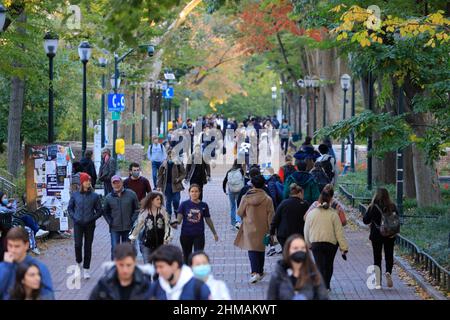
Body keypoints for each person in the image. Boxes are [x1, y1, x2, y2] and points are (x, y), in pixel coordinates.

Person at [304, 189, 349, 291]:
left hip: (316, 242)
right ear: (330, 200)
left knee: (319, 264)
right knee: (328, 265)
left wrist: (308, 243)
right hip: (331, 244)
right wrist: (343, 247)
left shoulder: (311, 214)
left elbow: (306, 230)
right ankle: (327, 285)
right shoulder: (333, 214)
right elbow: (339, 232)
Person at [234, 175, 274, 284]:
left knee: (251, 249)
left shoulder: (245, 198)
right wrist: (271, 230)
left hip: (249, 227)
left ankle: (254, 272)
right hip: (263, 227)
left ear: (252, 184)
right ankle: (259, 271)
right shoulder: (268, 199)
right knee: (261, 249)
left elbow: (239, 212)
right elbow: (271, 216)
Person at [267, 234, 328, 300]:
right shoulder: (278, 276)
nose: (299, 251)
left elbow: (323, 297)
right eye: (295, 248)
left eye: (302, 248)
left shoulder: (314, 274)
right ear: (288, 251)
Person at [0, 227, 54, 300]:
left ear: (26, 245)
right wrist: (6, 267)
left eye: (17, 246)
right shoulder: (4, 265)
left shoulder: (38, 267)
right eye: (10, 246)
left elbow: (48, 296)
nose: (12, 250)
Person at [67, 173, 103, 279]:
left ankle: (86, 269)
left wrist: (91, 218)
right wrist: (74, 217)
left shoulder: (94, 196)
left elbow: (99, 211)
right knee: (78, 245)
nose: (89, 182)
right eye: (87, 181)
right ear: (82, 182)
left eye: (89, 181)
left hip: (90, 225)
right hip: (78, 224)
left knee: (88, 247)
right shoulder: (75, 195)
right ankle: (79, 262)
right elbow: (70, 208)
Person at [363, 188, 399, 289]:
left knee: (377, 257)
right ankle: (388, 272)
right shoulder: (392, 206)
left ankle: (378, 281)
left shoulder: (373, 207)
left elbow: (365, 220)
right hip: (389, 234)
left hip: (376, 234)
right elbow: (397, 219)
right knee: (389, 255)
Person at [174, 185, 218, 263]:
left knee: (198, 257)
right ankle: (188, 273)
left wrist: (214, 233)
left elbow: (208, 220)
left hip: (199, 235)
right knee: (187, 256)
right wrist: (174, 224)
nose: (194, 193)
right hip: (186, 235)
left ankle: (197, 273)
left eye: (196, 191)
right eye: (192, 191)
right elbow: (179, 220)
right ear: (189, 193)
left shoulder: (204, 205)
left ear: (199, 193)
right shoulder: (184, 204)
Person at [103, 175, 140, 260]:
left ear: (122, 183)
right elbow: (105, 212)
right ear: (112, 185)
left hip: (128, 227)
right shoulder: (108, 197)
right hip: (115, 228)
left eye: (118, 182)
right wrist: (110, 222)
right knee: (115, 249)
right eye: (114, 183)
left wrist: (132, 220)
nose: (116, 185)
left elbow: (137, 209)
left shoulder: (131, 194)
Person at [129, 192, 172, 263]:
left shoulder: (163, 212)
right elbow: (137, 226)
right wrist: (132, 238)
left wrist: (166, 239)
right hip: (146, 244)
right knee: (147, 267)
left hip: (160, 244)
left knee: (157, 267)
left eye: (160, 199)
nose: (160, 201)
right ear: (151, 200)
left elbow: (168, 227)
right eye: (157, 199)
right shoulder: (144, 212)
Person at [270, 184, 309, 248]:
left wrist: (272, 232)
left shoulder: (283, 203)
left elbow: (275, 219)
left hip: (284, 235)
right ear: (300, 193)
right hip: (299, 235)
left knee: (286, 254)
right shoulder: (305, 204)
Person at [157, 149, 186, 220]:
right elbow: (160, 175)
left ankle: (176, 211)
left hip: (176, 186)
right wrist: (159, 186)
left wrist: (179, 179)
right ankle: (168, 216)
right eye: (170, 155)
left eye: (173, 155)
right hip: (167, 186)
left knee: (176, 200)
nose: (171, 156)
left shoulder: (178, 163)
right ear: (168, 155)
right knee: (168, 202)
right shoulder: (164, 164)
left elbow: (184, 174)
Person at [222, 160, 245, 230]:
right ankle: (238, 221)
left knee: (232, 206)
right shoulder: (241, 170)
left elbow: (224, 181)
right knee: (239, 206)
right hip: (239, 190)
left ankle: (233, 223)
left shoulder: (229, 171)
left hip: (231, 190)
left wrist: (224, 190)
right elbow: (243, 179)